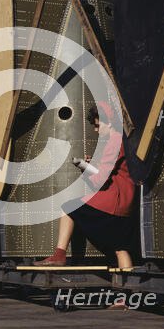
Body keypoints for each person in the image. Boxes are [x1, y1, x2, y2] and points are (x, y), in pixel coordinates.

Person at [34, 102, 136, 269]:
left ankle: (59, 255)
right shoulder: (122, 140)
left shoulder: (114, 141)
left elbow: (100, 179)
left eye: (97, 125)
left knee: (68, 207)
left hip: (113, 203)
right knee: (121, 248)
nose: (96, 130)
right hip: (125, 204)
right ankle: (130, 289)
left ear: (108, 122)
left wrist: (84, 167)